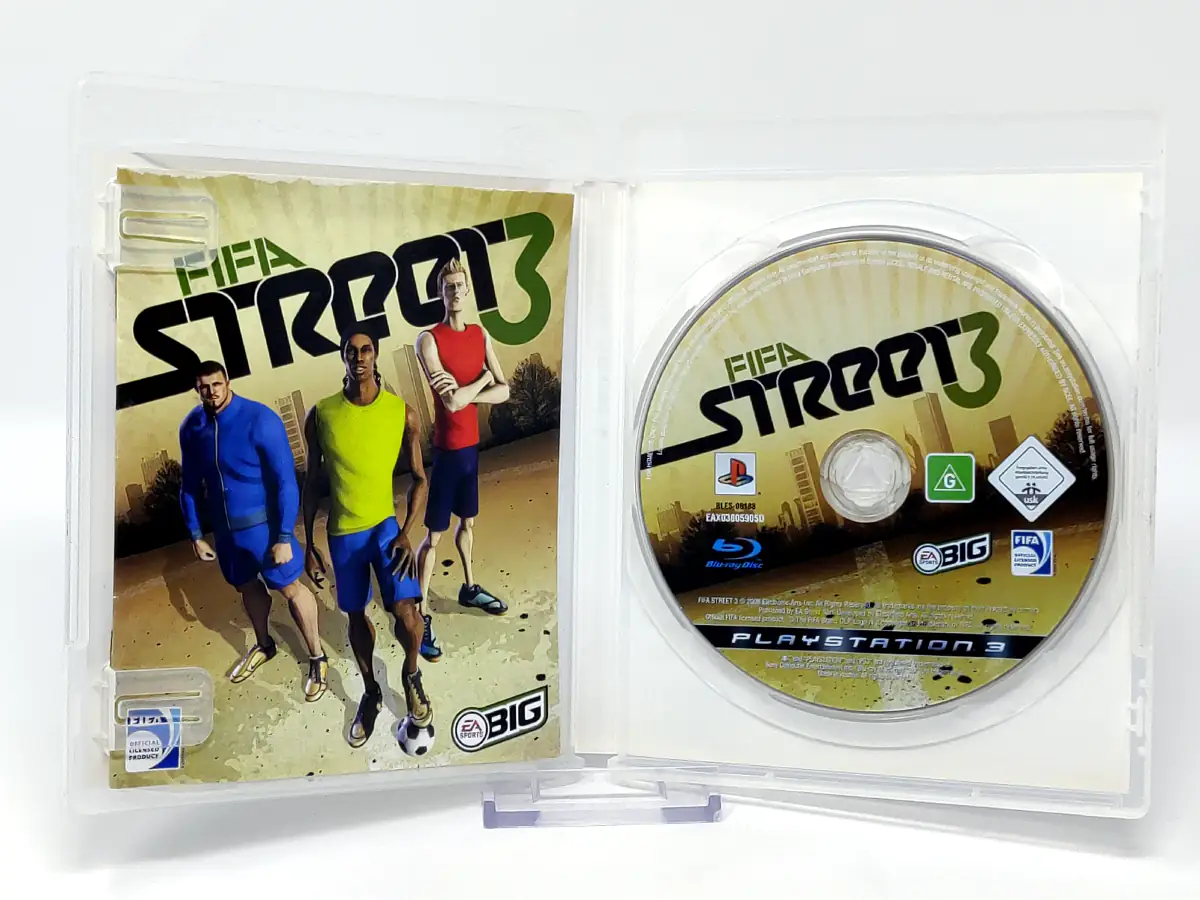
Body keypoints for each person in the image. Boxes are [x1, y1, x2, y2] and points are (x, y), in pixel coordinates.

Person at [303, 328, 431, 749]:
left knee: (408, 614)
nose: (359, 357)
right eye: (351, 351)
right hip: (343, 534)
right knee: (355, 617)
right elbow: (313, 482)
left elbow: (419, 479)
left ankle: (411, 674)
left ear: (375, 355)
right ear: (343, 357)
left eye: (366, 350)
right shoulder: (321, 414)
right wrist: (309, 545)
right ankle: (372, 692)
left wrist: (407, 533)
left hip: (385, 530)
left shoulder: (402, 413)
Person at [178, 361, 327, 701]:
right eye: (204, 387)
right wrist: (196, 534)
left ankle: (317, 657)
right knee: (247, 588)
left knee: (291, 589)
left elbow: (286, 482)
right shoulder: (192, 428)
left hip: (264, 529)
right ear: (197, 390)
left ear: (227, 381)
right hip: (227, 535)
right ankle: (264, 645)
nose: (212, 392)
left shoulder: (260, 419)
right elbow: (188, 487)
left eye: (217, 384)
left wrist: (284, 536)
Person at [414, 257, 512, 662]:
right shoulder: (428, 340)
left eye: (460, 286)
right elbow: (452, 402)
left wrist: (476, 388)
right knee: (434, 536)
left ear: (468, 291)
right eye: (449, 286)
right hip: (447, 452)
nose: (455, 292)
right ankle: (420, 614)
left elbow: (506, 390)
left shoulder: (479, 334)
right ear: (441, 293)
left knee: (468, 523)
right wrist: (484, 379)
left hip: (470, 450)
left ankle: (469, 588)